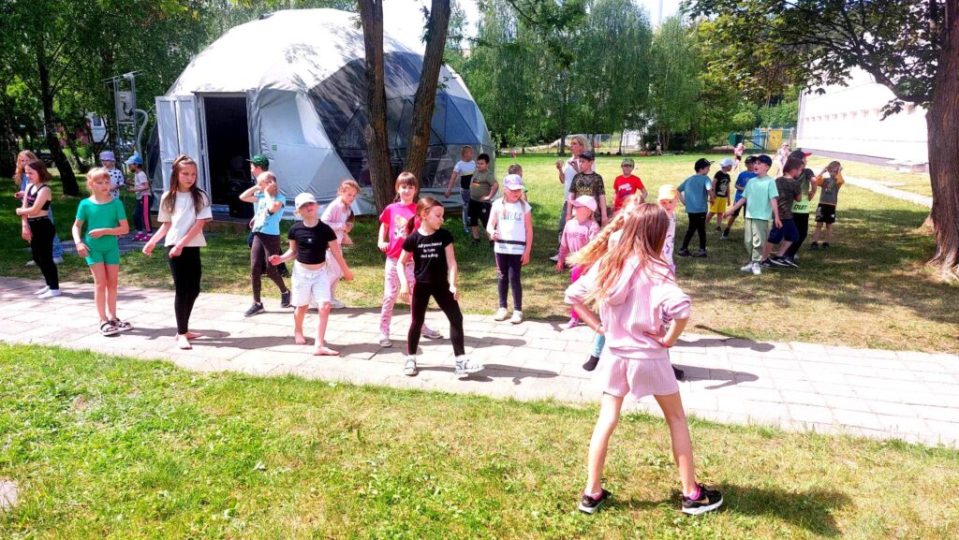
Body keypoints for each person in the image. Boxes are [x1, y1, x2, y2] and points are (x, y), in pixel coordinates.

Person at [566, 202, 723, 516]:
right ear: (657, 233)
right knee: (676, 419)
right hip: (650, 358)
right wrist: (668, 339)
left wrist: (600, 328)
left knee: (606, 419)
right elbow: (681, 309)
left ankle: (591, 492)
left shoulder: (608, 263)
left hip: (614, 355)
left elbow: (572, 296)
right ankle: (691, 494)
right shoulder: (657, 268)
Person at [398, 197, 484, 377]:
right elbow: (401, 263)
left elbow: (452, 262)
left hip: (442, 285)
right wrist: (404, 284)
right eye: (438, 216)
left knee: (456, 318)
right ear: (424, 215)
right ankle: (411, 358)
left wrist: (452, 284)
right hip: (421, 286)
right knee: (417, 322)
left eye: (442, 216)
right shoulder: (413, 239)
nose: (441, 219)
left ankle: (460, 361)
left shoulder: (444, 235)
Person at [142, 155, 213, 350]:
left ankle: (184, 329)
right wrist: (152, 241)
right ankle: (182, 333)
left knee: (194, 289)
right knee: (182, 290)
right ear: (176, 174)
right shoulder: (168, 197)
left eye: (193, 174)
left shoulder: (200, 196)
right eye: (185, 174)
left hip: (190, 245)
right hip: (174, 247)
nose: (190, 178)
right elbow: (166, 225)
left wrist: (182, 244)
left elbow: (199, 224)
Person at [269, 193, 353, 356]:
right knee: (302, 307)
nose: (308, 207)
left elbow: (336, 252)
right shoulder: (295, 229)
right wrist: (280, 259)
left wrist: (346, 271)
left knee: (325, 306)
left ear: (317, 206)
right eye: (304, 205)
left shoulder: (325, 229)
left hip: (321, 273)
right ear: (298, 211)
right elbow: (293, 251)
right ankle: (298, 330)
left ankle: (319, 345)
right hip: (301, 273)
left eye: (311, 204)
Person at [377, 172, 442, 347]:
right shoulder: (391, 208)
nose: (406, 190)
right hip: (393, 260)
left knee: (417, 297)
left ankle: (421, 326)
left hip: (414, 263)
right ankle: (383, 331)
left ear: (415, 190)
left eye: (410, 187)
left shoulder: (419, 210)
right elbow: (384, 224)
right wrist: (381, 240)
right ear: (397, 188)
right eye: (403, 187)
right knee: (390, 296)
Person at [71, 167, 132, 335]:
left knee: (113, 282)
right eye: (99, 183)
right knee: (100, 283)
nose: (105, 185)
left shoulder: (116, 203)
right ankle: (102, 320)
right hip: (93, 249)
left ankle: (113, 317)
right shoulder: (85, 204)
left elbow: (125, 228)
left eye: (107, 182)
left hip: (111, 247)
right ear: (91, 184)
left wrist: (105, 231)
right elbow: (76, 226)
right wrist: (78, 243)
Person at [238, 171, 291, 316]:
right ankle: (257, 303)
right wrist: (257, 187)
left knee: (270, 269)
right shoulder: (261, 196)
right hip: (258, 234)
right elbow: (243, 197)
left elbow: (272, 209)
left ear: (272, 183)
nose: (261, 186)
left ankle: (285, 292)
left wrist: (267, 193)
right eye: (260, 183)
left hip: (271, 236)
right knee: (255, 268)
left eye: (264, 183)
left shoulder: (280, 199)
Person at [723, 154, 779, 275]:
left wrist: (777, 217)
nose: (755, 165)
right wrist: (731, 210)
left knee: (758, 241)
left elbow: (773, 200)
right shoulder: (751, 182)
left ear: (767, 167)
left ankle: (757, 263)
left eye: (759, 163)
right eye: (755, 163)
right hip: (749, 215)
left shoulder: (770, 182)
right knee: (748, 241)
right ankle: (752, 262)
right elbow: (743, 198)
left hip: (762, 217)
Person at [487, 174, 533, 324]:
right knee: (502, 276)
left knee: (514, 278)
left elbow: (529, 230)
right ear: (505, 189)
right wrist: (492, 232)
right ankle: (502, 307)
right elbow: (490, 225)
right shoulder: (497, 204)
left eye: (518, 190)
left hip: (517, 249)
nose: (516, 193)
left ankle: (518, 310)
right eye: (513, 190)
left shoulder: (525, 207)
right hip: (501, 248)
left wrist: (527, 250)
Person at [16, 159, 61, 298]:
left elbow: (34, 210)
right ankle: (48, 284)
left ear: (40, 172)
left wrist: (20, 211)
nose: (28, 175)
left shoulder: (45, 189)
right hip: (32, 225)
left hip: (43, 226)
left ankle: (55, 288)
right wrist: (25, 225)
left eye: (31, 173)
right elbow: (25, 207)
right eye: (26, 173)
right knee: (37, 257)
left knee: (46, 257)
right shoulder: (29, 186)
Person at [557, 195, 599, 329]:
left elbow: (594, 247)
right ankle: (576, 317)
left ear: (589, 211)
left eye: (579, 206)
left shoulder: (592, 226)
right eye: (575, 205)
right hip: (574, 263)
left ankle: (581, 316)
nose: (575, 207)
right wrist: (560, 259)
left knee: (582, 292)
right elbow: (564, 244)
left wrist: (587, 262)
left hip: (586, 264)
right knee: (576, 291)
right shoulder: (569, 224)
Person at [15, 150, 64, 265]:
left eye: (27, 160)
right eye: (22, 160)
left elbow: (38, 190)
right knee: (33, 232)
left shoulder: (35, 175)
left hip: (41, 207)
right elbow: (28, 191)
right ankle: (38, 256)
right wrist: (22, 194)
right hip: (29, 206)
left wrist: (21, 210)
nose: (24, 163)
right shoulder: (23, 175)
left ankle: (57, 254)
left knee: (47, 231)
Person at [321, 179, 362, 308]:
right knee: (334, 272)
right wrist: (342, 226)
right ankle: (321, 297)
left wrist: (345, 234)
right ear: (341, 192)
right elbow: (323, 223)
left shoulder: (347, 208)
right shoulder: (336, 206)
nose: (352, 198)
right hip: (328, 245)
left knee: (337, 272)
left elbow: (342, 225)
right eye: (349, 194)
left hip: (336, 243)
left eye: (354, 195)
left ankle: (330, 297)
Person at [763, 157, 804, 268]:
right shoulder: (795, 183)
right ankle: (764, 259)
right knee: (774, 237)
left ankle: (779, 256)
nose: (801, 172)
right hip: (784, 215)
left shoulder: (778, 180)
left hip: (778, 213)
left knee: (793, 235)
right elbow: (799, 199)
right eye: (800, 170)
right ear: (794, 170)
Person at [553, 135, 588, 261]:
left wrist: (577, 169)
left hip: (580, 200)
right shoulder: (569, 160)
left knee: (579, 228)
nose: (571, 146)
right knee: (563, 226)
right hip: (568, 199)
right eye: (571, 143)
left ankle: (578, 255)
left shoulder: (586, 161)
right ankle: (561, 254)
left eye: (574, 144)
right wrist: (560, 170)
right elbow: (563, 180)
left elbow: (588, 179)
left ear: (582, 146)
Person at [783, 149, 817, 266]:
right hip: (802, 208)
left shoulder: (788, 170)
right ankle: (789, 255)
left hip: (789, 207)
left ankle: (788, 253)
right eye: (804, 158)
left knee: (790, 232)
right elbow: (814, 180)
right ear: (800, 160)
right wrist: (813, 192)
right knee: (801, 233)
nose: (806, 160)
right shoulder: (807, 171)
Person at [677, 158, 714, 257]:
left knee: (692, 228)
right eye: (707, 168)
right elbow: (709, 190)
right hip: (701, 210)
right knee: (701, 229)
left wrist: (684, 202)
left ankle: (683, 249)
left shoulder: (689, 179)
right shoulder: (706, 179)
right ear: (701, 169)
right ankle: (702, 250)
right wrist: (712, 199)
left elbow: (678, 190)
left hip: (691, 210)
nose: (709, 170)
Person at [567, 150, 608, 226]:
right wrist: (568, 214)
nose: (580, 164)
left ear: (591, 162)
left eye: (583, 162)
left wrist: (604, 215)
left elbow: (602, 197)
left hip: (594, 216)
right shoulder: (577, 177)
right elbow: (571, 195)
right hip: (578, 215)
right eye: (579, 161)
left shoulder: (597, 178)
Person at [811, 161, 845, 250]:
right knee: (819, 224)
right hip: (822, 204)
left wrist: (839, 172)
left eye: (835, 171)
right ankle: (814, 242)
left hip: (831, 205)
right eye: (831, 171)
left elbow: (841, 180)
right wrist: (823, 171)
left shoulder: (838, 181)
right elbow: (816, 181)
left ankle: (826, 243)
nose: (832, 173)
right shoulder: (825, 180)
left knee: (829, 225)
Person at [722, 155, 758, 239]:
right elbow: (736, 185)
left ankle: (749, 234)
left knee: (747, 217)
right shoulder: (742, 174)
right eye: (747, 163)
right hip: (739, 198)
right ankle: (727, 230)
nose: (749, 165)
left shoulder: (757, 175)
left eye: (751, 163)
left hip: (750, 200)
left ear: (754, 164)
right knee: (733, 215)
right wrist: (743, 189)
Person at [443, 145, 476, 234]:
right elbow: (453, 178)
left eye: (472, 152)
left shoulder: (474, 163)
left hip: (474, 189)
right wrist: (449, 190)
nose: (472, 154)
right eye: (470, 153)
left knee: (473, 205)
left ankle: (471, 221)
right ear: (465, 154)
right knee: (466, 206)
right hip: (465, 190)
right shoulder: (459, 164)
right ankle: (465, 225)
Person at [467, 153, 498, 243]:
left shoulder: (488, 174)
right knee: (473, 220)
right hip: (473, 201)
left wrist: (489, 196)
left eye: (482, 164)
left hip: (483, 203)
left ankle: (492, 240)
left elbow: (495, 185)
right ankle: (476, 239)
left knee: (486, 221)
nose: (479, 165)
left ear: (487, 164)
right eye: (478, 163)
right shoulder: (476, 171)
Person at [126, 153, 153, 241]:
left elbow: (146, 186)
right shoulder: (137, 174)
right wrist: (131, 184)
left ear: (136, 165)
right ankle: (140, 232)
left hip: (145, 197)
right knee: (136, 215)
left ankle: (149, 233)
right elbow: (140, 184)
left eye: (130, 165)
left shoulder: (141, 174)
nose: (129, 167)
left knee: (145, 215)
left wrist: (134, 190)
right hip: (140, 197)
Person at [706, 158, 733, 233]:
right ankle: (704, 224)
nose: (731, 167)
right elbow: (713, 183)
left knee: (720, 212)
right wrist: (713, 193)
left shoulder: (728, 176)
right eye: (730, 166)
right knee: (712, 212)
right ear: (727, 166)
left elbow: (727, 187)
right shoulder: (718, 173)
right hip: (716, 197)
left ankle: (718, 226)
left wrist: (728, 199)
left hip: (723, 198)